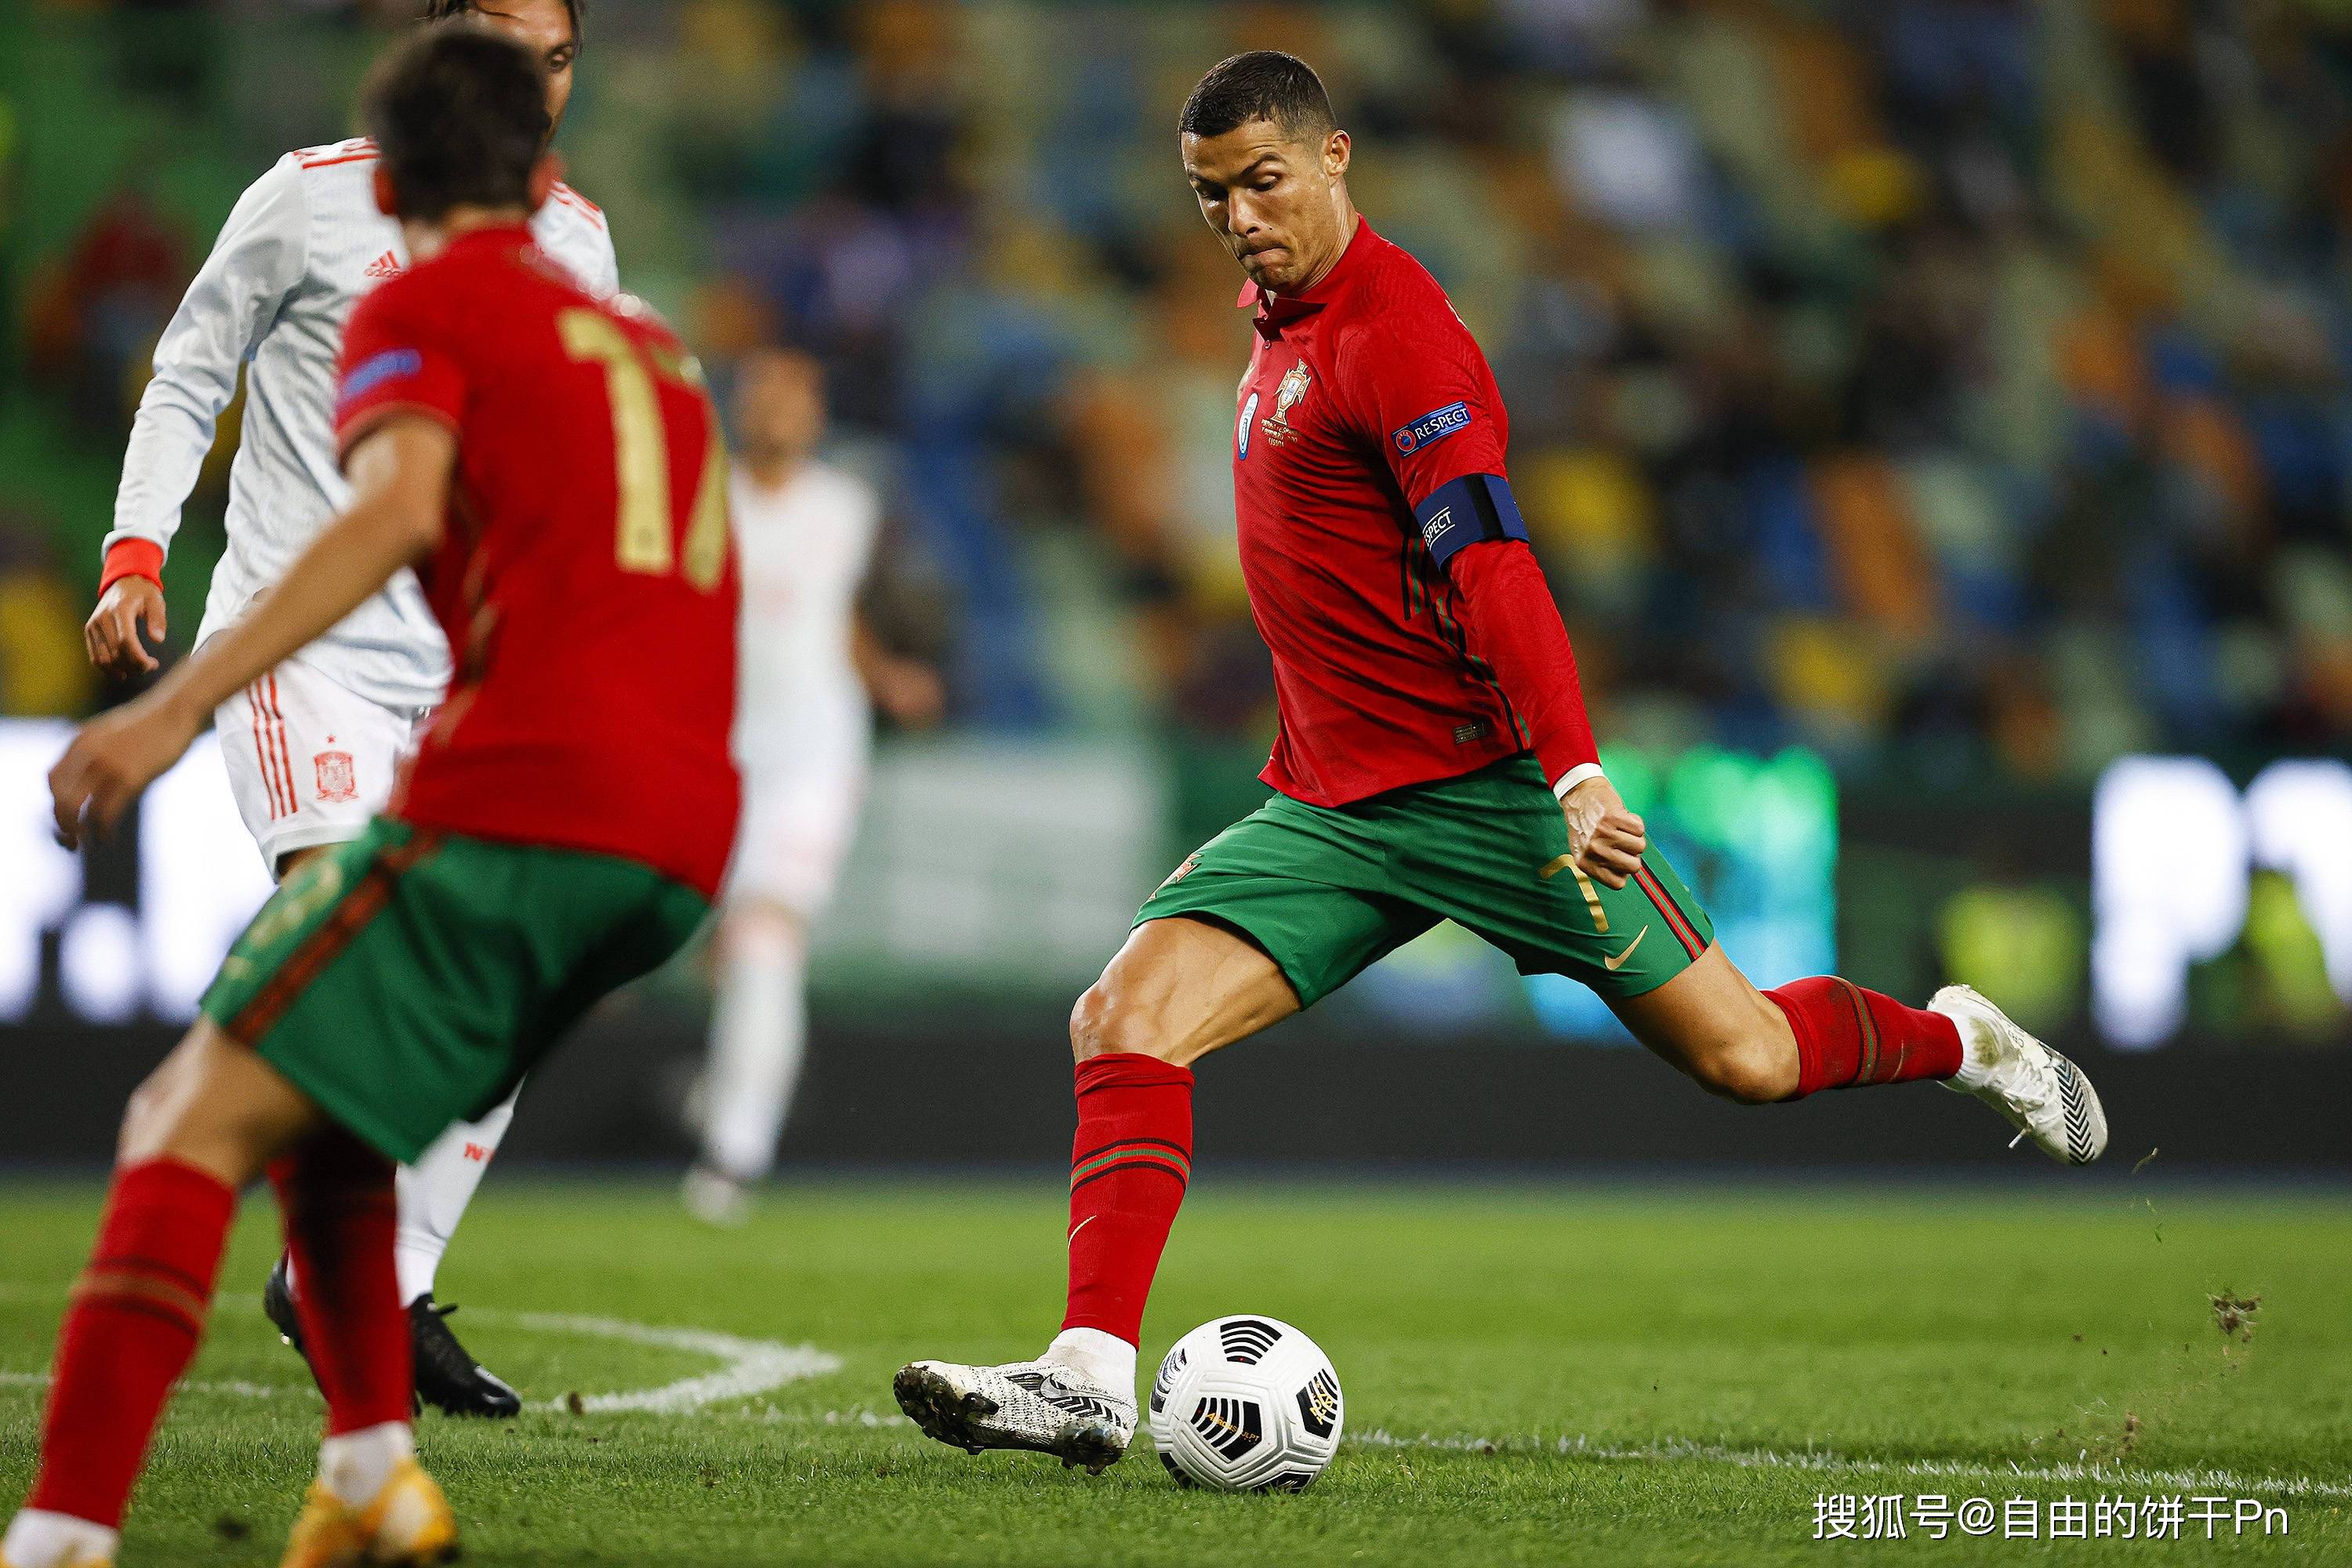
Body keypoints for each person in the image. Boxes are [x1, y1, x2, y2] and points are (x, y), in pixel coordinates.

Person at [891, 50, 2109, 1472]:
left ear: (1337, 157)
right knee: (1125, 1017)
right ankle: (1090, 1376)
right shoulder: (1278, 322)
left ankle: (1966, 1038)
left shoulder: (1395, 335)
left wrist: (1579, 772)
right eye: (1210, 194)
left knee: (1751, 1058)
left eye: (1263, 180)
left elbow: (1497, 565)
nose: (1236, 214)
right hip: (1330, 804)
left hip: (1487, 796)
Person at [5, 27, 738, 1568]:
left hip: (509, 763)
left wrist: (167, 706)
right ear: (527, 156)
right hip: (667, 816)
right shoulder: (651, 343)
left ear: (398, 171)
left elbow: (404, 506)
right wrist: (142, 550)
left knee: (187, 1112)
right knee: (336, 1045)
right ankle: (368, 1462)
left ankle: (59, 1539)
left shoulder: (430, 293)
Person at [81, 0, 611, 1420]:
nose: (531, 83)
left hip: (462, 678)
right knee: (355, 984)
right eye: (505, 47)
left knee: (520, 978)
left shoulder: (579, 244)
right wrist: (139, 549)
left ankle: (377, 1281)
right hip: (292, 652)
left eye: (556, 56)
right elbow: (192, 365)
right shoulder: (310, 200)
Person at [682, 347, 942, 1227]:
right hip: (709, 747)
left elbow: (845, 620)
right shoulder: (701, 498)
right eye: (763, 398)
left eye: (793, 399)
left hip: (812, 751)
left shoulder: (849, 508)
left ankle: (733, 1153)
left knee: (766, 933)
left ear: (816, 414)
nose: (777, 414)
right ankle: (726, 1082)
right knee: (700, 942)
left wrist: (885, 678)